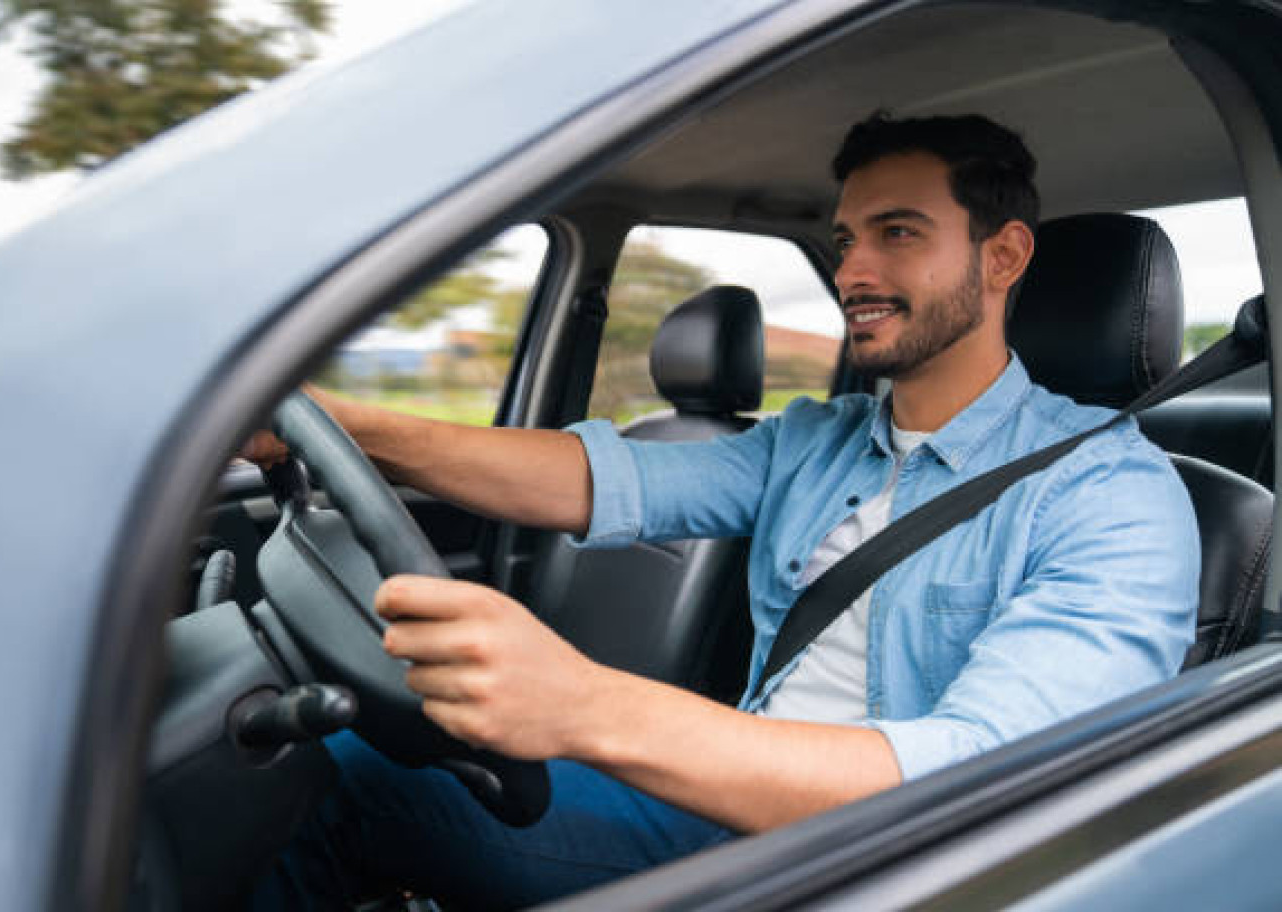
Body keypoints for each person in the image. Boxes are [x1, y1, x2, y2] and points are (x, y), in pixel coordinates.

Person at [248, 113, 1199, 910]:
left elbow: (981, 776)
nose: (853, 272)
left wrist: (582, 705)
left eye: (898, 233)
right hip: (725, 815)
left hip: (888, 869)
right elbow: (589, 482)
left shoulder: (1110, 496)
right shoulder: (816, 439)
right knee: (317, 763)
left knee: (347, 786)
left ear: (1004, 256)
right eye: (845, 241)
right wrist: (339, 424)